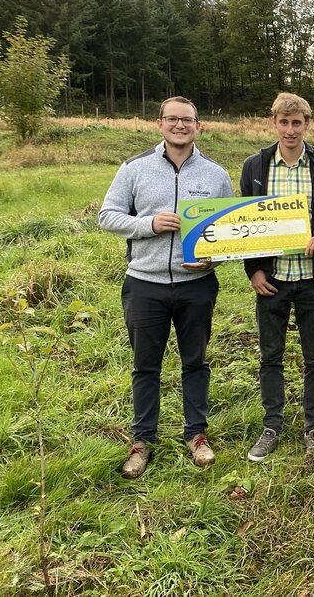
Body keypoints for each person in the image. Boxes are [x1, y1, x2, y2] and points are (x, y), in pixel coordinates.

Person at [99, 96, 234, 478]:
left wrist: (215, 258)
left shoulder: (215, 174)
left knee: (196, 362)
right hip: (145, 284)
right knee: (145, 367)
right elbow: (107, 216)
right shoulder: (134, 168)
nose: (180, 126)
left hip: (197, 286)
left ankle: (196, 436)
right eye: (172, 119)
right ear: (159, 123)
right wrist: (149, 224)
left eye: (187, 120)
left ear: (198, 126)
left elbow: (228, 232)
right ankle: (142, 442)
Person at [241, 93, 314, 462]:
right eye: (284, 122)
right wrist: (254, 270)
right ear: (273, 123)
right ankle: (272, 425)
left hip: (312, 280)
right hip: (272, 279)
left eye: (297, 123)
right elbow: (242, 224)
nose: (290, 130)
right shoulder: (255, 167)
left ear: (307, 124)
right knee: (270, 356)